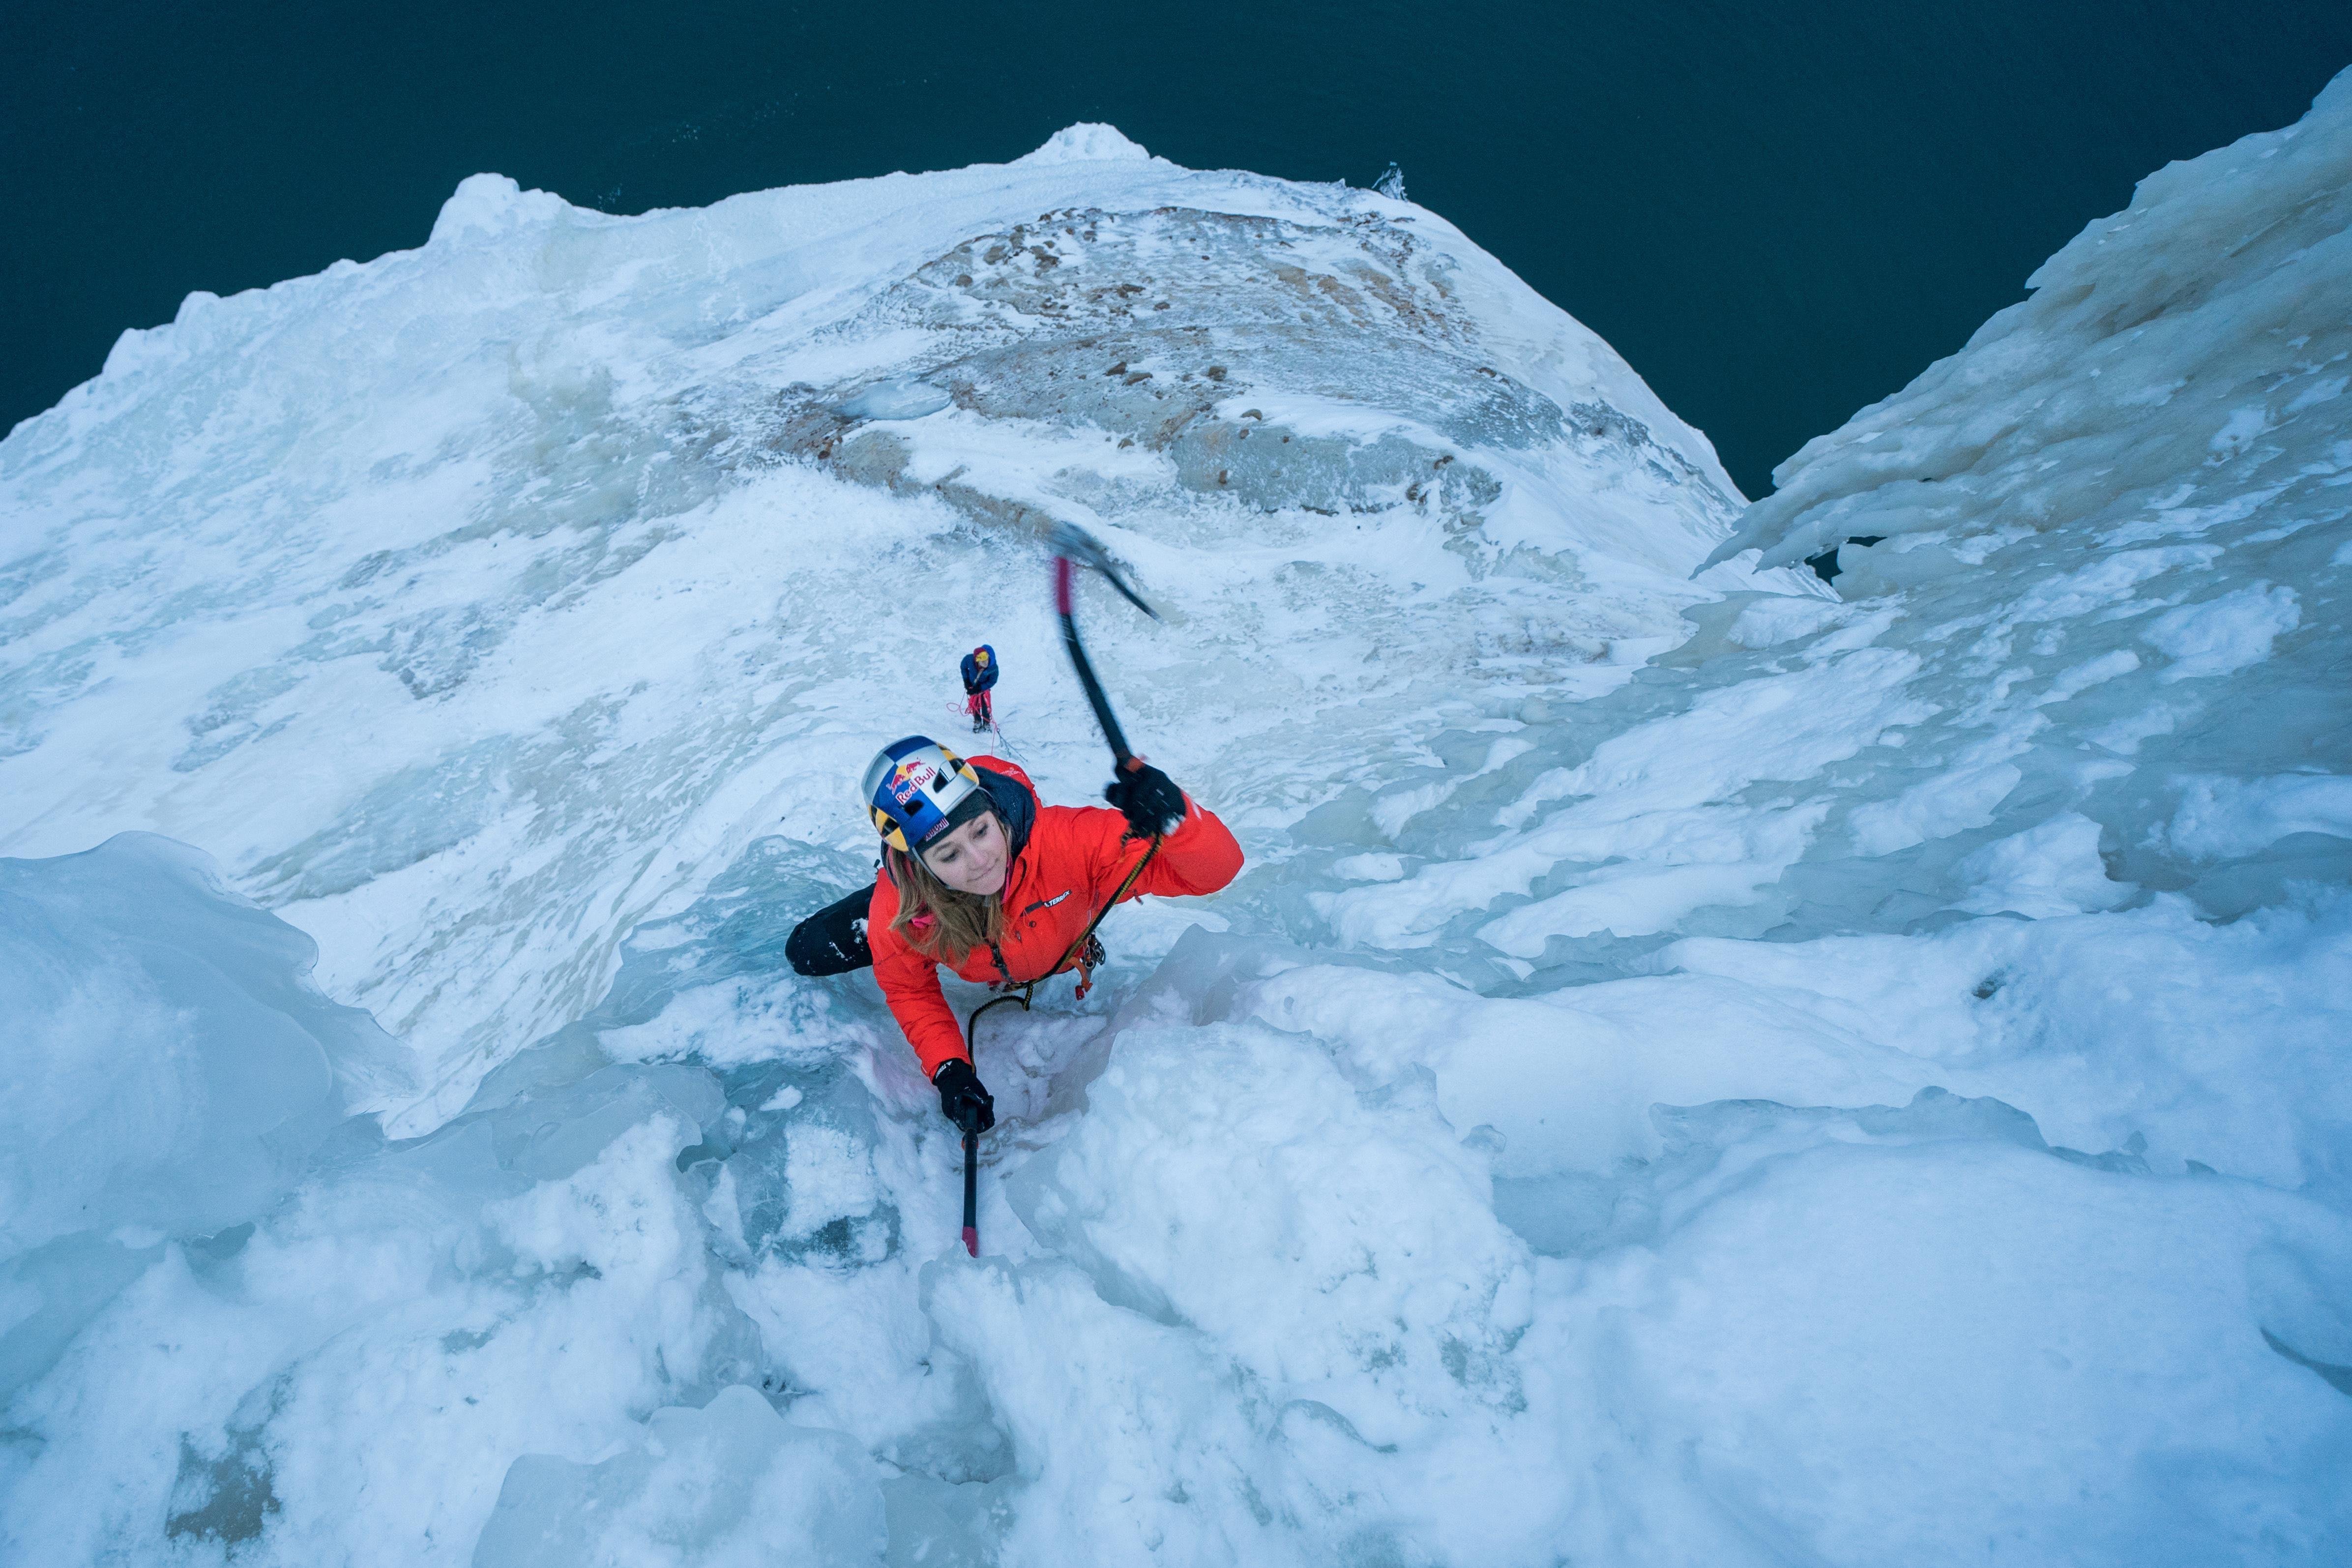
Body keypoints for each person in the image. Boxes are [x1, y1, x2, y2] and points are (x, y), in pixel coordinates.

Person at [783, 735, 1242, 1135]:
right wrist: (950, 1069)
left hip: (1015, 917)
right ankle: (885, 895)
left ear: (993, 811)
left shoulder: (1068, 844)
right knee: (805, 951)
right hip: (927, 906)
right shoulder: (901, 912)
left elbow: (1216, 872)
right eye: (949, 854)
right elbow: (909, 988)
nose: (980, 860)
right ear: (921, 865)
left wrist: (1179, 821)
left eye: (981, 831)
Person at [960, 645, 999, 733]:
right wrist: (966, 680)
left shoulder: (993, 667)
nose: (986, 663)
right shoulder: (969, 659)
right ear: (977, 661)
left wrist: (981, 688)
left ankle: (986, 722)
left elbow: (993, 681)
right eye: (983, 662)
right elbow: (963, 667)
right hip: (973, 687)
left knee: (986, 705)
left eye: (987, 660)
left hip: (984, 689)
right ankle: (977, 721)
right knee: (975, 704)